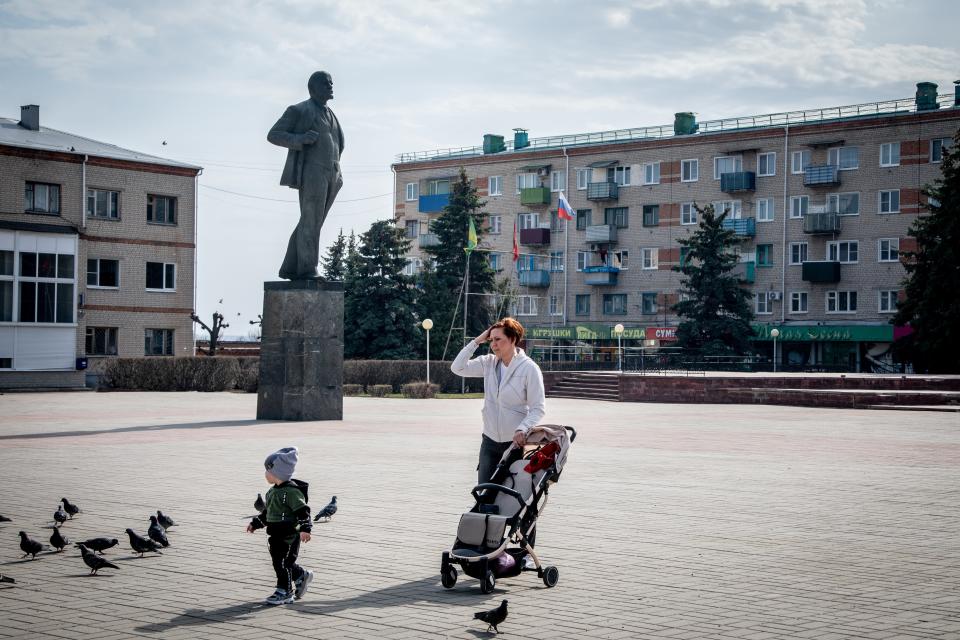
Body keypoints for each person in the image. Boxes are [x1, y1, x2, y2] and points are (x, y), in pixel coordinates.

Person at [268, 70, 345, 280]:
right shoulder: (299, 110)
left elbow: (338, 144)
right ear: (313, 88)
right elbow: (273, 135)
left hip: (333, 174)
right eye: (325, 83)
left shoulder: (331, 114)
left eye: (331, 82)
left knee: (312, 221)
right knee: (310, 220)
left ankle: (290, 267)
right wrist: (300, 139)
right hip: (312, 172)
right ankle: (307, 269)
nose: (331, 86)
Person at [451, 317, 546, 485]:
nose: (493, 344)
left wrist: (522, 429)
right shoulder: (488, 363)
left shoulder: (529, 368)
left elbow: (538, 408)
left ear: (512, 339)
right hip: (489, 440)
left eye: (498, 339)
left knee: (509, 495)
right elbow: (457, 367)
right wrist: (478, 340)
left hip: (515, 444)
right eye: (491, 339)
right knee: (484, 492)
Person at [246, 446, 315, 605]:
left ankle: (284, 591)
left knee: (284, 563)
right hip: (275, 536)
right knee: (279, 563)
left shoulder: (292, 492)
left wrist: (305, 529)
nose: (265, 474)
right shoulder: (271, 492)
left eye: (267, 470)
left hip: (290, 536)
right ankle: (301, 575)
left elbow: (303, 511)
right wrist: (256, 523)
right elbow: (267, 514)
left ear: (278, 473)